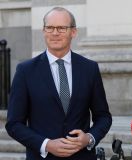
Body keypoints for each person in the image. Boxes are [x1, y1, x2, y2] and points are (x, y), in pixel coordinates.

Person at [5, 7, 112, 159]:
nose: (55, 33)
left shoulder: (89, 68)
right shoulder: (25, 71)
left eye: (61, 28)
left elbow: (103, 117)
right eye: (49, 28)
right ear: (43, 31)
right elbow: (14, 124)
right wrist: (46, 144)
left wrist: (89, 138)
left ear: (73, 32)